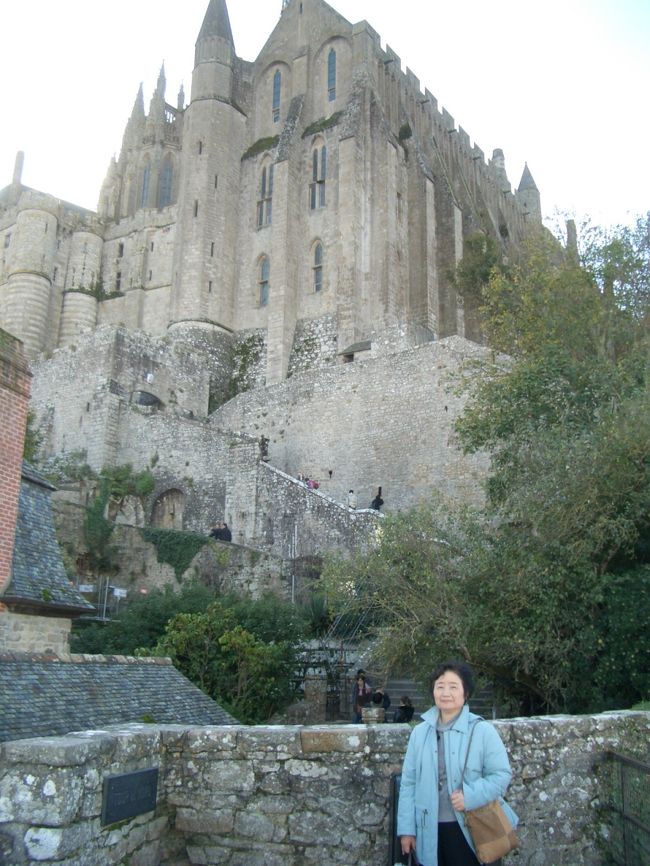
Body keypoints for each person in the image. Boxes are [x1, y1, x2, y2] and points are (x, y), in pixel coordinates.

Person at [397, 661, 518, 866]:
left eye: (453, 687)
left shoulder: (482, 731)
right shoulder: (419, 733)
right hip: (428, 830)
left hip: (470, 827)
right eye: (440, 686)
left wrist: (470, 796)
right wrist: (407, 830)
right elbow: (409, 783)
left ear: (466, 693)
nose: (446, 693)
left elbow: (501, 775)